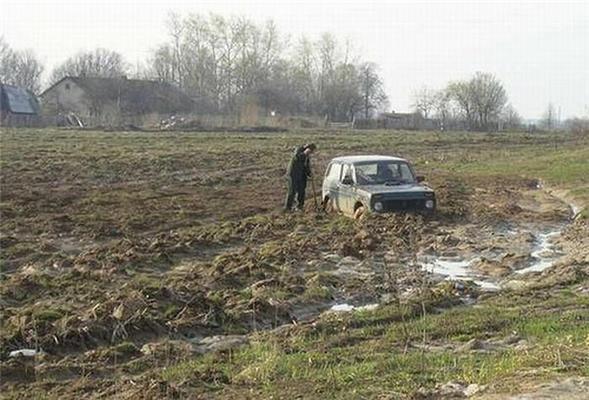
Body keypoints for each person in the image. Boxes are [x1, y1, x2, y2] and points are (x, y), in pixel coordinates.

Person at [284, 143, 316, 211]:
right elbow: (297, 157)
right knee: (292, 191)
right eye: (311, 151)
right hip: (293, 174)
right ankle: (288, 208)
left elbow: (306, 165)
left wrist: (310, 174)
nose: (311, 153)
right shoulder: (299, 150)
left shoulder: (307, 155)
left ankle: (300, 206)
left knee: (302, 191)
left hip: (301, 175)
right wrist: (304, 153)